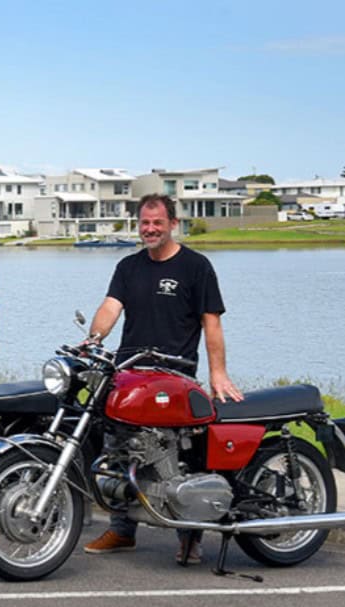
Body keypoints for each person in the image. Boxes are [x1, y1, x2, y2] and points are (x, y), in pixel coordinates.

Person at [82, 194, 244, 566]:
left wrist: (217, 373)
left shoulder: (196, 267)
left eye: (157, 222)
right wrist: (94, 339)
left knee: (182, 458)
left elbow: (211, 322)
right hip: (129, 375)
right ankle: (122, 531)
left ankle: (190, 537)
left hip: (175, 376)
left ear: (173, 223)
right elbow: (110, 307)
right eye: (144, 223)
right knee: (119, 451)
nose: (150, 229)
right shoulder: (128, 266)